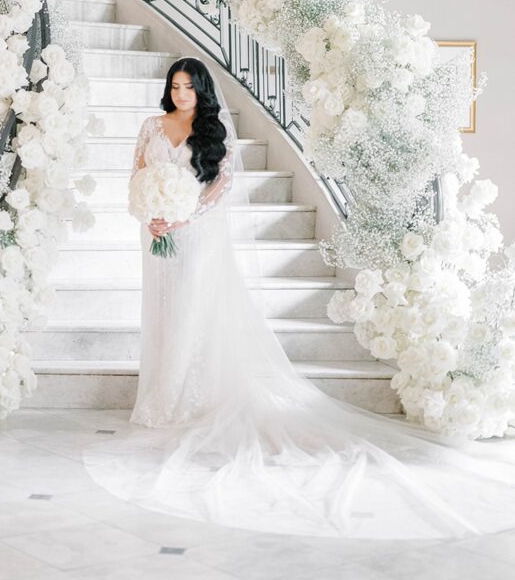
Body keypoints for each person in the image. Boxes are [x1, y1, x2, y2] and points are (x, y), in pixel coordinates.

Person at [81, 57, 515, 540]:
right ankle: (160, 396)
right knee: (162, 310)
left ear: (201, 90)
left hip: (197, 234)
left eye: (189, 87)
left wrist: (184, 217)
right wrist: (153, 216)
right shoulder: (151, 126)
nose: (181, 94)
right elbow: (137, 177)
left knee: (192, 311)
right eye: (175, 86)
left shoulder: (213, 132)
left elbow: (221, 185)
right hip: (158, 233)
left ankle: (190, 396)